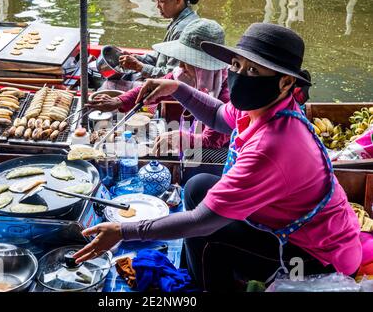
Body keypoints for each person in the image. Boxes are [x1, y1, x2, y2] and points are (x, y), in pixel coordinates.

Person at [74, 23, 362, 292]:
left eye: (253, 71)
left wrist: (124, 231)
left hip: (313, 256)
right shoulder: (264, 107)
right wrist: (177, 88)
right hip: (289, 226)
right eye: (237, 65)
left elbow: (203, 221)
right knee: (198, 185)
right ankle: (201, 270)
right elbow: (217, 116)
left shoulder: (273, 147)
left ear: (285, 83)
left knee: (207, 236)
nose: (239, 74)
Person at [88, 18, 231, 157]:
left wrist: (179, 138)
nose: (180, 66)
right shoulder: (185, 74)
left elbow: (212, 140)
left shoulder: (226, 94)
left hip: (217, 154)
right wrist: (119, 101)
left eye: (187, 61)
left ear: (203, 66)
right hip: (193, 137)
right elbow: (155, 87)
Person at [119, 0, 201, 79]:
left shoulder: (182, 31)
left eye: (161, 1)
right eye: (156, 1)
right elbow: (160, 57)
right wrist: (137, 58)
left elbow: (172, 76)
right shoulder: (180, 20)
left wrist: (139, 67)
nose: (157, 6)